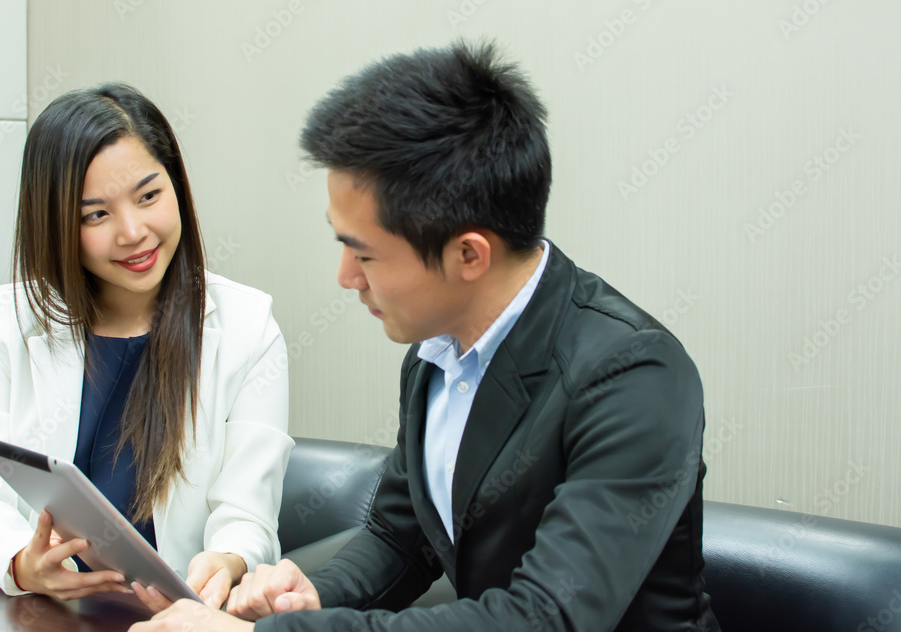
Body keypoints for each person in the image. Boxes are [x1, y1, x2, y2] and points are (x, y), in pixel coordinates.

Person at [133, 41, 721, 631]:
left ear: (469, 254)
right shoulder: (436, 350)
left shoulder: (634, 375)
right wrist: (309, 594)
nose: (345, 277)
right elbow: (398, 537)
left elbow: (546, 618)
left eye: (364, 254)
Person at [0, 83, 293, 609]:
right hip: (44, 613)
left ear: (177, 187)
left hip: (175, 618)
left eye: (149, 196)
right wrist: (21, 561)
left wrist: (229, 559)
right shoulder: (6, 322)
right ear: (56, 223)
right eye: (95, 215)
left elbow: (247, 514)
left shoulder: (247, 326)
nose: (133, 232)